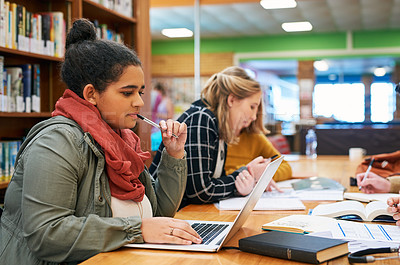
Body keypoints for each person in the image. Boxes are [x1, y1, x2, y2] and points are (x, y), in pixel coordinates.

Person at [0, 19, 201, 264]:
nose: (138, 102)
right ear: (91, 94)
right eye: (127, 93)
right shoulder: (57, 142)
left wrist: (174, 154)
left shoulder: (122, 141)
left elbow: (159, 214)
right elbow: (46, 234)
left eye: (141, 92)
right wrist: (137, 231)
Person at [149, 66, 280, 207]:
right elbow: (200, 192)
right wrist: (246, 174)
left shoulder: (218, 126)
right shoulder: (201, 118)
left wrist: (244, 177)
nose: (254, 116)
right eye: (252, 107)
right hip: (163, 213)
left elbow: (217, 180)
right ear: (232, 100)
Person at [225, 129, 293, 182]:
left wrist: (265, 176)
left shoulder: (255, 137)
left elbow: (286, 167)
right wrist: (250, 173)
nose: (254, 117)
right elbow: (216, 179)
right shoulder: (216, 138)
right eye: (251, 110)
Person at [150, 82, 174, 151]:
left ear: (160, 91)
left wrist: (158, 115)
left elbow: (170, 115)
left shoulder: (167, 101)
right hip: (154, 127)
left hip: (162, 127)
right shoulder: (155, 101)